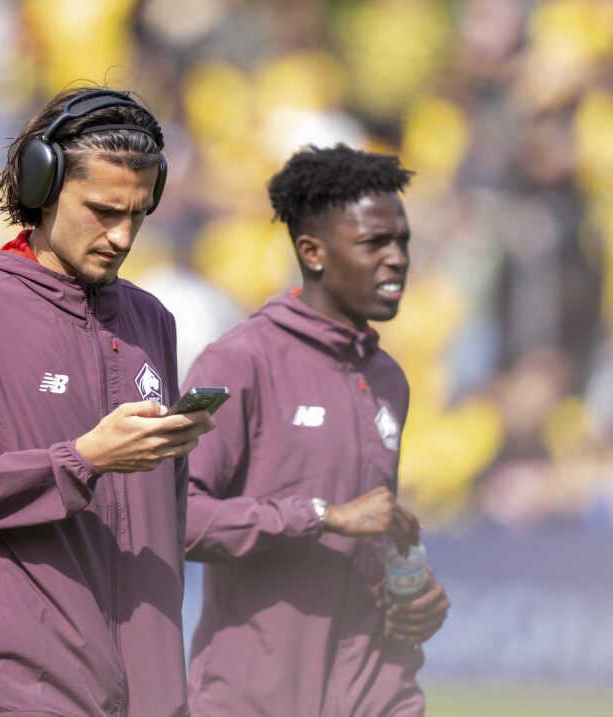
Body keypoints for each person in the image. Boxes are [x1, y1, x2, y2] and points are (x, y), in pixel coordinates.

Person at [0, 85, 214, 717]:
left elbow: (170, 516)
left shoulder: (155, 321)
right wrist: (82, 459)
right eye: (103, 211)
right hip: (16, 693)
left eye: (139, 214)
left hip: (150, 697)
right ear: (42, 188)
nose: (123, 236)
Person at [183, 144, 450, 717]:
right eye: (375, 242)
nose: (398, 258)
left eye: (402, 240)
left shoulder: (389, 379)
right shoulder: (235, 362)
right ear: (313, 252)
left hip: (377, 696)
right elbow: (175, 516)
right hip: (254, 699)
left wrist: (413, 600)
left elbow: (367, 537)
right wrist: (320, 515)